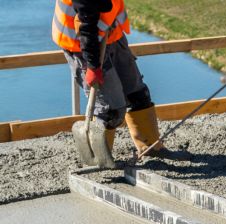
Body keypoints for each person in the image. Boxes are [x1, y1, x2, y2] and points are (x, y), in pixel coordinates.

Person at [53, 0, 170, 158]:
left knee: (137, 95)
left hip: (110, 34)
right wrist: (93, 67)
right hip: (83, 44)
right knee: (110, 111)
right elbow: (86, 28)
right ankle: (99, 158)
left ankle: (150, 148)